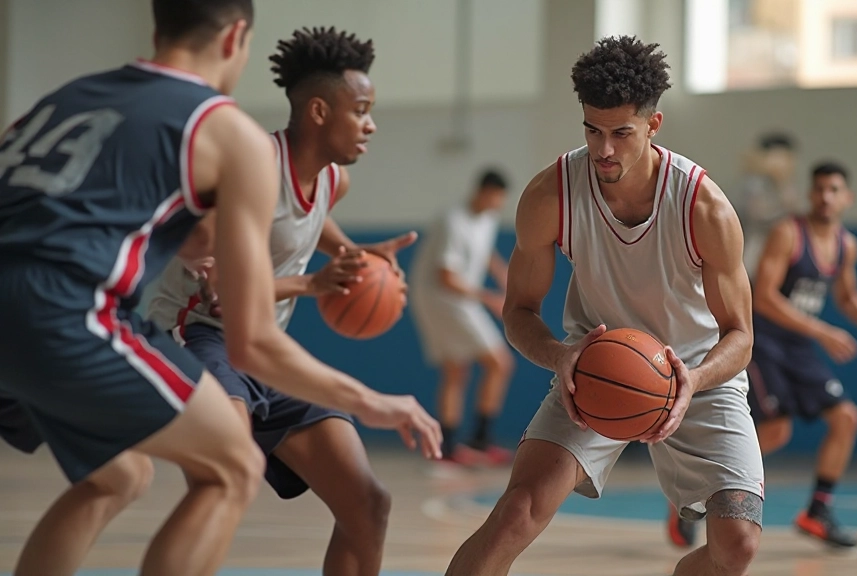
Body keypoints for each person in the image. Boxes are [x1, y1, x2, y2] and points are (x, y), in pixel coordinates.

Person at [0, 2, 440, 575]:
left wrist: (338, 250)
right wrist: (374, 400)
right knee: (232, 466)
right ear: (237, 36)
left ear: (158, 27)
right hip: (75, 313)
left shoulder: (71, 96)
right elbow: (250, 338)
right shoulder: (224, 129)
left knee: (118, 474)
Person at [444, 36, 763, 576]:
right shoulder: (551, 194)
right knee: (517, 512)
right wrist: (560, 356)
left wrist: (693, 378)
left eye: (621, 133)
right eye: (592, 129)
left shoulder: (703, 205)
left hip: (696, 372)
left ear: (653, 125)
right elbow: (518, 310)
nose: (604, 149)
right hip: (593, 369)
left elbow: (740, 335)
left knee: (738, 545)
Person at [146, 27, 419, 576]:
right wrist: (316, 285)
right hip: (193, 333)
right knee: (226, 474)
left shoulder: (332, 181)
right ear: (318, 111)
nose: (370, 124)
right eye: (360, 109)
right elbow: (222, 287)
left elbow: (309, 220)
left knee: (366, 502)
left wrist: (356, 256)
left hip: (263, 348)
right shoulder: (253, 170)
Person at [745, 161, 857, 547]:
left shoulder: (846, 245)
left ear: (847, 198)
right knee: (776, 430)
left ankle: (817, 512)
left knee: (847, 417)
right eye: (818, 189)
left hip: (798, 346)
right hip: (762, 341)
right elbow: (763, 297)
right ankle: (699, 491)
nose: (825, 197)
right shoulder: (788, 233)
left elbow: (847, 297)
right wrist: (821, 329)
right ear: (809, 194)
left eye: (834, 190)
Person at [408, 168, 515, 466]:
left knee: (456, 370)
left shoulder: (487, 219)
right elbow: (446, 277)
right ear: (483, 192)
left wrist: (502, 274)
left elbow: (484, 249)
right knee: (499, 363)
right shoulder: (451, 221)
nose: (499, 204)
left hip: (456, 296)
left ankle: (449, 446)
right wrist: (491, 298)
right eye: (497, 197)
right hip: (442, 298)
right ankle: (480, 440)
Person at [738, 132, 801, 280]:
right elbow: (758, 216)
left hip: (780, 256)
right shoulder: (753, 184)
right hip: (752, 257)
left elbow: (795, 215)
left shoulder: (785, 185)